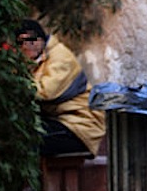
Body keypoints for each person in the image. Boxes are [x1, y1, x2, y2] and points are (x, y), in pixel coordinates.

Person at [15, 19, 105, 157]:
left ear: (40, 39)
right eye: (20, 43)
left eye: (30, 41)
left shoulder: (61, 58)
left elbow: (44, 92)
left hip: (79, 127)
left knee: (25, 141)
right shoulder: (35, 60)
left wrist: (12, 84)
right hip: (59, 121)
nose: (26, 47)